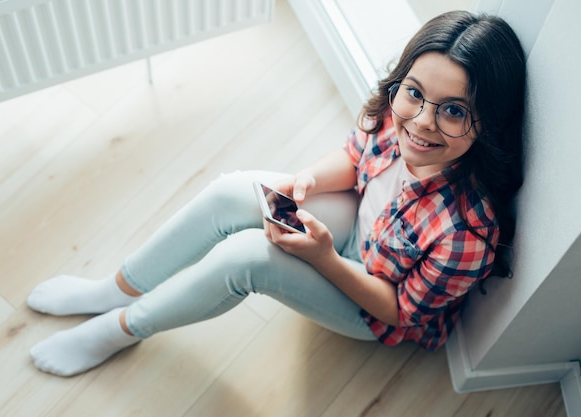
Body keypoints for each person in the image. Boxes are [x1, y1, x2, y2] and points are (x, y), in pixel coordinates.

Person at [27, 10, 526, 377]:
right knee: (233, 193)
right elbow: (355, 159)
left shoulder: (468, 234)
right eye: (415, 93)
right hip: (357, 226)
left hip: (374, 299)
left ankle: (124, 327)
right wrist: (301, 180)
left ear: (489, 122)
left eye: (453, 111)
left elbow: (400, 312)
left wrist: (325, 258)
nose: (420, 122)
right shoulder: (398, 113)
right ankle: (114, 289)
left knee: (249, 258)